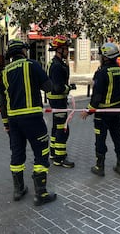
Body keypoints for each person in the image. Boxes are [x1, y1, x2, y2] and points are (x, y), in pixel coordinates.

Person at [0, 39, 57, 206]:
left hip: (13, 121)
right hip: (33, 119)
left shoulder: (4, 72)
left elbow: (1, 101)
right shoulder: (33, 65)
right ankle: (41, 193)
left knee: (17, 153)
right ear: (23, 51)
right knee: (41, 153)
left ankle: (19, 190)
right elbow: (48, 87)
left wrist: (6, 123)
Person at [81, 42, 120, 177]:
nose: (100, 57)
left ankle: (99, 167)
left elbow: (96, 97)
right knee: (117, 136)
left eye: (101, 55)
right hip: (116, 113)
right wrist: (119, 106)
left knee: (100, 139)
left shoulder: (101, 73)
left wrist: (88, 110)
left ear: (106, 57)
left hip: (101, 114)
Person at [46, 35, 75, 168]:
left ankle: (53, 152)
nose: (68, 51)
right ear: (59, 49)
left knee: (56, 128)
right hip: (58, 102)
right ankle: (60, 158)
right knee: (63, 130)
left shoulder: (54, 63)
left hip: (55, 102)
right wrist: (69, 87)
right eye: (66, 49)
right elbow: (58, 88)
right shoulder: (57, 66)